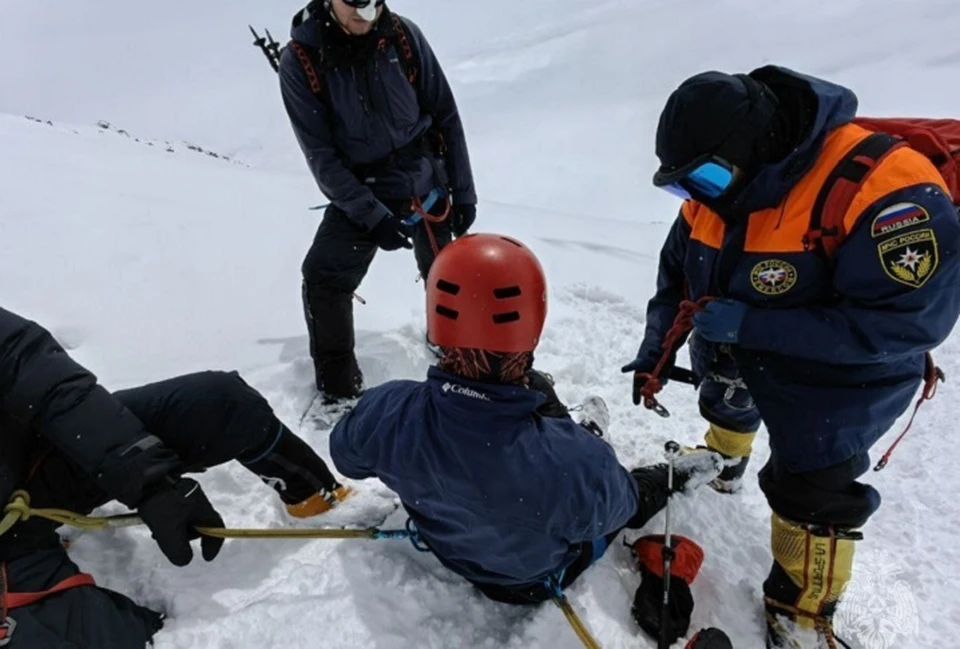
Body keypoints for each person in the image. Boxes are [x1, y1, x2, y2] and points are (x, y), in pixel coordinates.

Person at [623, 65, 960, 647]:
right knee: (728, 395)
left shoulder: (886, 192)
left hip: (844, 373)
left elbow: (906, 325)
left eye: (699, 179)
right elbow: (678, 272)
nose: (694, 197)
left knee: (814, 488)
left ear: (754, 147)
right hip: (743, 341)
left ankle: (802, 613)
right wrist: (658, 348)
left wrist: (756, 324)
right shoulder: (716, 185)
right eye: (680, 187)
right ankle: (724, 463)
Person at [329, 233, 722, 605]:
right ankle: (672, 475)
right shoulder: (578, 464)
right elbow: (619, 509)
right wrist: (583, 453)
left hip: (446, 545)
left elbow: (346, 456)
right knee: (628, 491)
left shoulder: (389, 410)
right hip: (528, 583)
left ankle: (577, 429)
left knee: (533, 390)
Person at [0, 306, 352, 648]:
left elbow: (51, 385)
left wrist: (150, 479)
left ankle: (321, 502)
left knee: (223, 405)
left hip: (32, 473)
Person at [279, 0, 478, 403]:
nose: (366, 16)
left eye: (374, 3)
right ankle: (339, 392)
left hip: (427, 181)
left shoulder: (402, 36)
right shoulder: (301, 59)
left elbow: (446, 115)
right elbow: (322, 157)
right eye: (354, 5)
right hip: (362, 189)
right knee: (324, 278)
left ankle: (452, 351)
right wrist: (371, 215)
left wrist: (464, 191)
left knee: (445, 272)